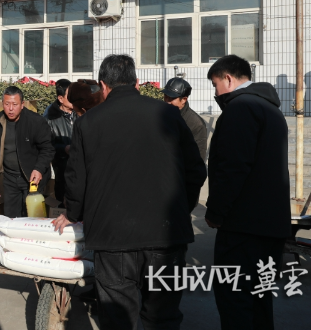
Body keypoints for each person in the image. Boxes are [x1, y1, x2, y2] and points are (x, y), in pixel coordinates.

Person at [54, 54, 207, 330]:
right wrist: (179, 210)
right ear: (137, 82)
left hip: (112, 239)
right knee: (162, 318)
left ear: (103, 86)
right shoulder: (169, 115)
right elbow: (196, 170)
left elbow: (76, 178)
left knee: (118, 319)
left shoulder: (88, 123)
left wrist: (72, 213)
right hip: (166, 236)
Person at [205, 55, 290, 330]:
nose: (216, 92)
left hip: (243, 227)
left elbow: (233, 167)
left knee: (235, 300)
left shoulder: (240, 108)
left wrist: (216, 212)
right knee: (259, 299)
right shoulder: (270, 109)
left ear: (228, 78)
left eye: (216, 85)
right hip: (270, 225)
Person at [0, 86, 55, 218]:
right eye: (7, 104)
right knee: (11, 216)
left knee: (32, 217)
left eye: (14, 104)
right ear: (2, 104)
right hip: (9, 177)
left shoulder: (35, 121)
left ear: (22, 104)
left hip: (32, 178)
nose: (10, 108)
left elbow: (47, 149)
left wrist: (39, 169)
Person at [162, 77, 208, 161]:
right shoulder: (160, 114)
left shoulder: (196, 124)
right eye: (166, 96)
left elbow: (198, 157)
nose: (167, 101)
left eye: (172, 98)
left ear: (184, 99)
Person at [46, 80, 76, 203]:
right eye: (70, 95)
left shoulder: (81, 114)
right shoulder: (50, 119)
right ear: (60, 98)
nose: (74, 98)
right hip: (62, 169)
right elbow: (47, 145)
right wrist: (64, 148)